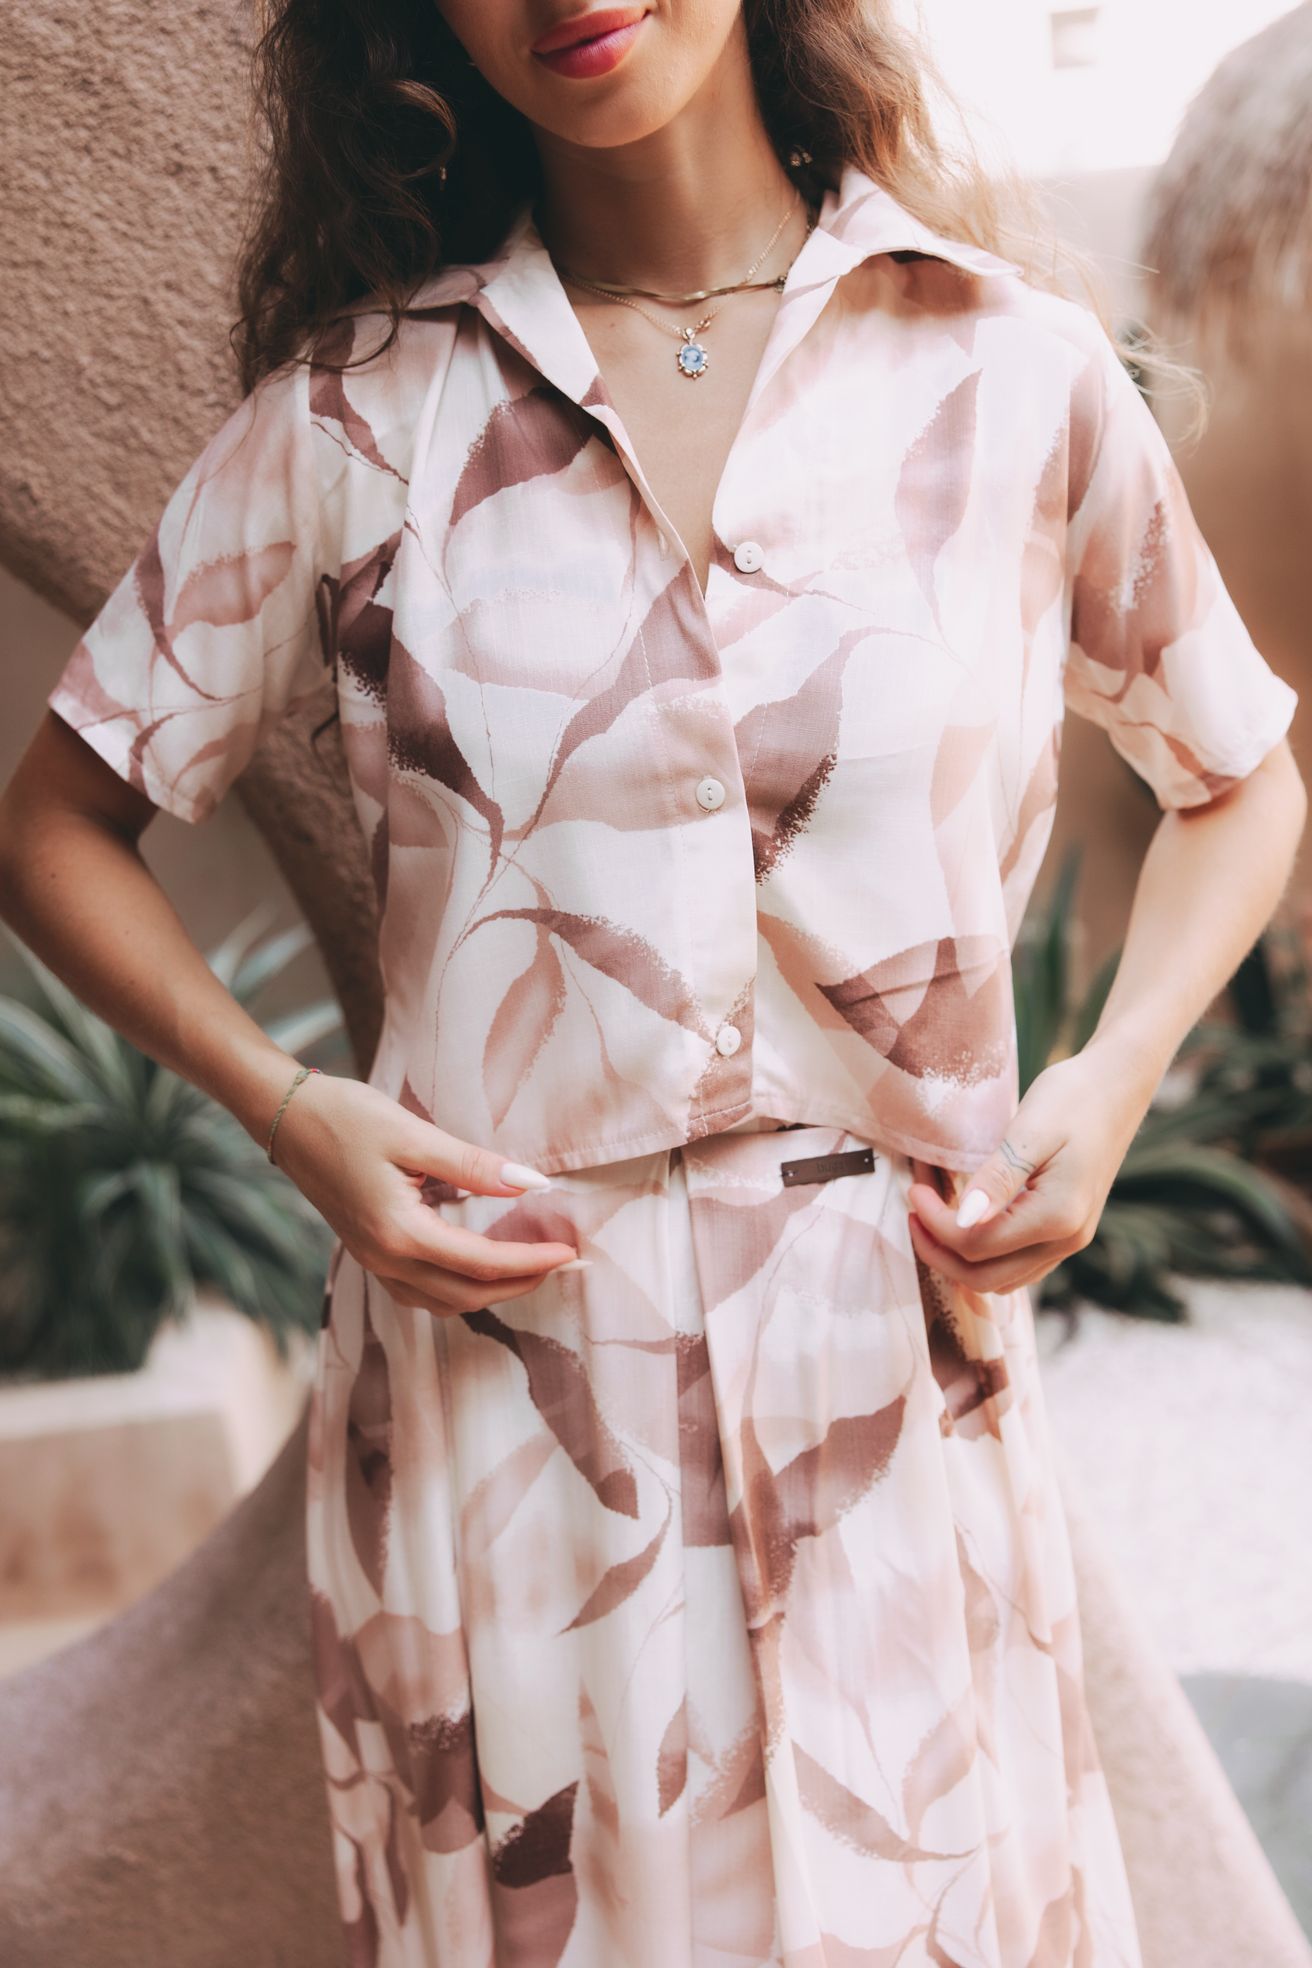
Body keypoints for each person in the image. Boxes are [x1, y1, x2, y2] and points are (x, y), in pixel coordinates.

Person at [0, 1, 1304, 1962]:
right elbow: (55, 822)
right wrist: (291, 1113)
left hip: (896, 1391)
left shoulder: (1006, 371)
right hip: (509, 1413)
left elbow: (1237, 775)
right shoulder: (355, 421)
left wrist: (1107, 1081)